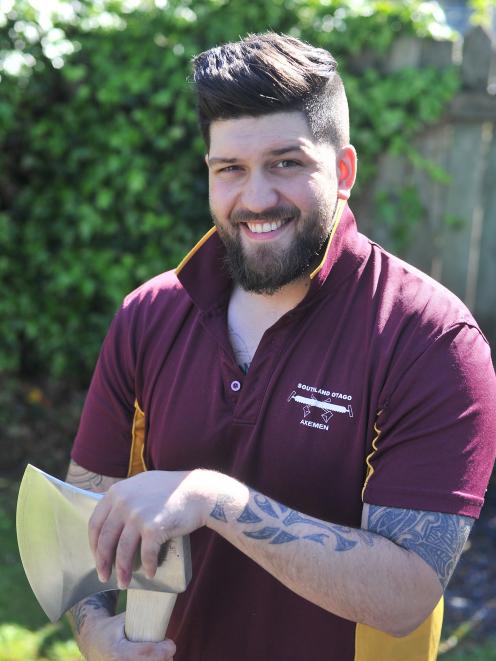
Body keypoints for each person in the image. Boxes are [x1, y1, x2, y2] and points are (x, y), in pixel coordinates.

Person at [66, 32, 496, 661]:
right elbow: (82, 515)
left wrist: (216, 499)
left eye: (286, 163)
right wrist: (92, 631)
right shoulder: (150, 315)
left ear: (343, 171)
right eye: (230, 169)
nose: (257, 197)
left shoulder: (430, 339)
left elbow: (406, 596)